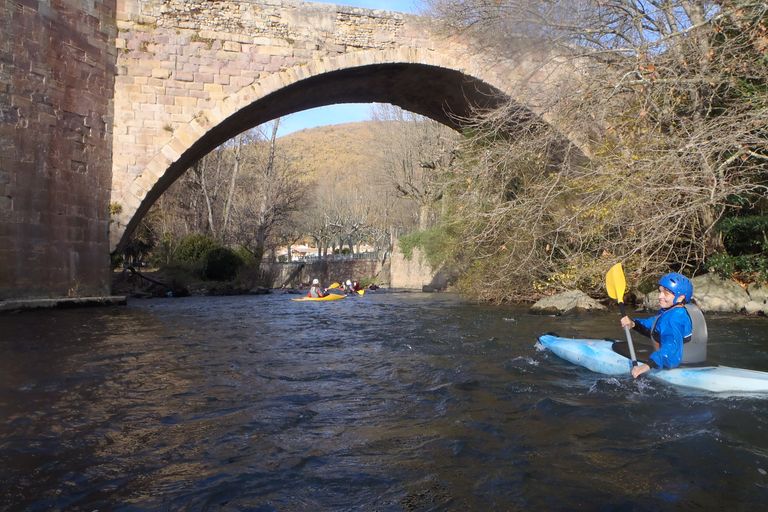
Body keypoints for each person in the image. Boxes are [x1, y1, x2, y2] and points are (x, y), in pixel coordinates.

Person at [615, 272, 705, 379]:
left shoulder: (673, 319)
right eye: (660, 292)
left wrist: (647, 366)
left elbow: (671, 347)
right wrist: (633, 323)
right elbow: (654, 325)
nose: (660, 296)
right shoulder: (683, 309)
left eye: (666, 293)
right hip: (696, 362)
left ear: (680, 297)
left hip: (677, 364)